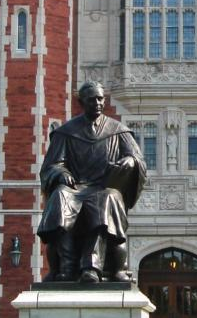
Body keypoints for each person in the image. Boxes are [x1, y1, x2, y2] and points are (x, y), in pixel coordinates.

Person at [37, 81, 146, 283]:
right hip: (75, 188)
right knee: (60, 196)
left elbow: (139, 161)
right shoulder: (66, 132)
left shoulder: (118, 131)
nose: (97, 102)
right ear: (81, 102)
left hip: (103, 187)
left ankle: (91, 267)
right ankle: (67, 266)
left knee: (105, 200)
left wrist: (130, 161)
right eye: (92, 99)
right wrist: (60, 173)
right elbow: (50, 166)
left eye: (100, 98)